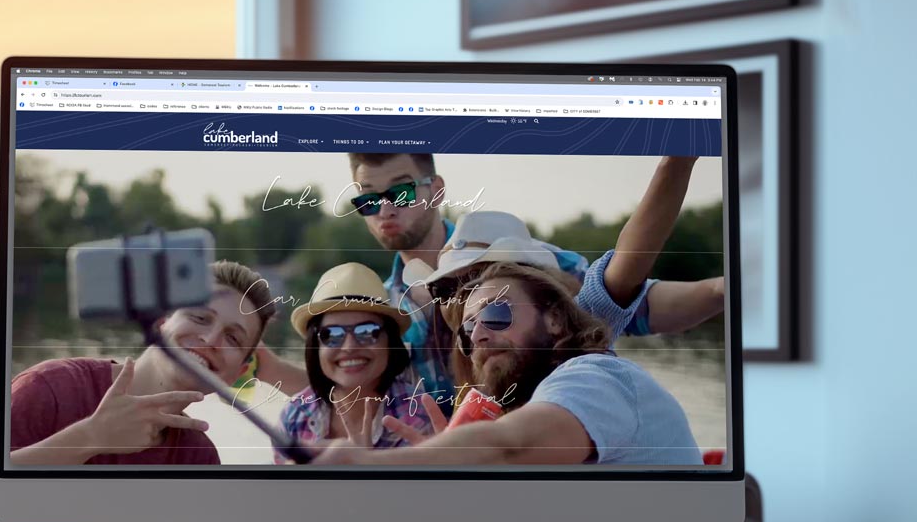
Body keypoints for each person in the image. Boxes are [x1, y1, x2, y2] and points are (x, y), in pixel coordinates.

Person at [251, 153, 725, 412]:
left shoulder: (518, 262)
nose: (386, 210)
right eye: (368, 202)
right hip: (466, 467)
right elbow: (360, 395)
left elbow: (633, 300)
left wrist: (730, 290)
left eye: (398, 191)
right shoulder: (386, 307)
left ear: (435, 190)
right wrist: (259, 367)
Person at [307, 262, 702, 467]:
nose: (477, 336)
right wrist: (444, 463)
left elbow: (511, 446)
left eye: (496, 316)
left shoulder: (594, 377)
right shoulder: (539, 400)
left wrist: (382, 465)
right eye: (468, 330)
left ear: (555, 320)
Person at [9, 260, 277, 465]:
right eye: (200, 318)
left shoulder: (197, 456)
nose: (210, 339)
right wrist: (91, 436)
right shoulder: (52, 387)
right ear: (160, 321)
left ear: (236, 374)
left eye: (232, 338)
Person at [276, 263, 438, 461]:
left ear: (390, 343)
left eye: (367, 332)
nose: (349, 347)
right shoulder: (295, 415)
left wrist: (368, 466)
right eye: (332, 334)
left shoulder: (417, 414)